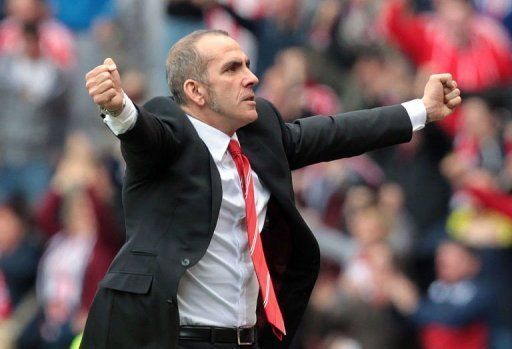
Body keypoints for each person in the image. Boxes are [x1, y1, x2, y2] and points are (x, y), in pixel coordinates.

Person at [81, 29, 461, 348]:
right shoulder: (170, 128)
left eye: (247, 64)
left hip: (247, 339)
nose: (252, 77)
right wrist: (119, 109)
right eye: (232, 69)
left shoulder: (261, 131)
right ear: (196, 91)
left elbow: (333, 132)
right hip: (171, 338)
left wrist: (421, 110)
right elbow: (142, 134)